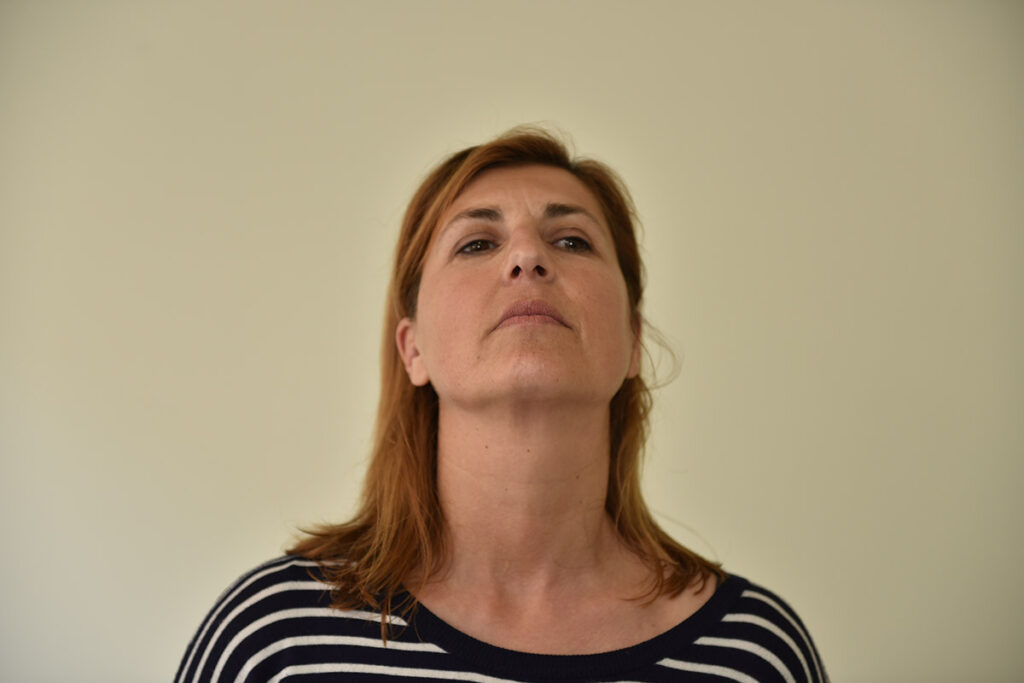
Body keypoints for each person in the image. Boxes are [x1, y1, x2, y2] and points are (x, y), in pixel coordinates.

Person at [176, 128, 828, 682]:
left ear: (633, 339)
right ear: (413, 348)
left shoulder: (754, 654)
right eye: (477, 243)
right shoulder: (275, 640)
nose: (527, 256)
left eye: (571, 240)